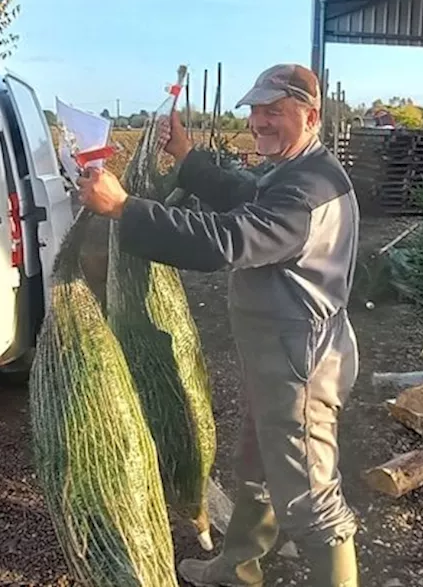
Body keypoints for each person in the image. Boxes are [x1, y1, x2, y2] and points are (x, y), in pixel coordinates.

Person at [76, 64, 361, 587]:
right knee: (256, 464)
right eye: (255, 111)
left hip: (299, 362)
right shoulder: (299, 170)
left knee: (310, 496)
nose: (259, 123)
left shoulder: (306, 191)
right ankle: (238, 567)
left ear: (311, 114)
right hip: (279, 354)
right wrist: (188, 159)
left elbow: (224, 240)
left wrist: (125, 209)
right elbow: (244, 194)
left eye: (274, 111)